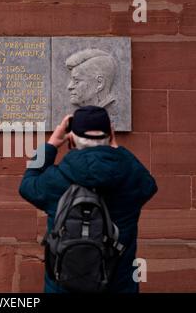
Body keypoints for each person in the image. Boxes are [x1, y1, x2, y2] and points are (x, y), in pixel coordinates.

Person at [18, 106, 157, 293]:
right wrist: (117, 148)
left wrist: (50, 144)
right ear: (110, 136)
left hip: (65, 287)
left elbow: (27, 183)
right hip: (118, 286)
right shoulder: (130, 178)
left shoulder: (57, 179)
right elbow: (149, 184)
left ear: (71, 140)